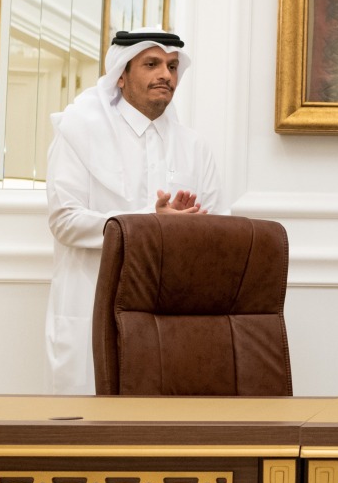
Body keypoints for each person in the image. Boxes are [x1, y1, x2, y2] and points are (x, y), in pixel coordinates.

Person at [45, 27, 222, 395]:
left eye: (172, 66)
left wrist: (185, 227)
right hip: (93, 302)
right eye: (152, 64)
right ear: (121, 75)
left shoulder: (195, 147)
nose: (165, 75)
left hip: (171, 313)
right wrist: (148, 223)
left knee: (164, 420)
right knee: (89, 417)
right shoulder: (78, 132)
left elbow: (219, 229)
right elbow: (65, 221)